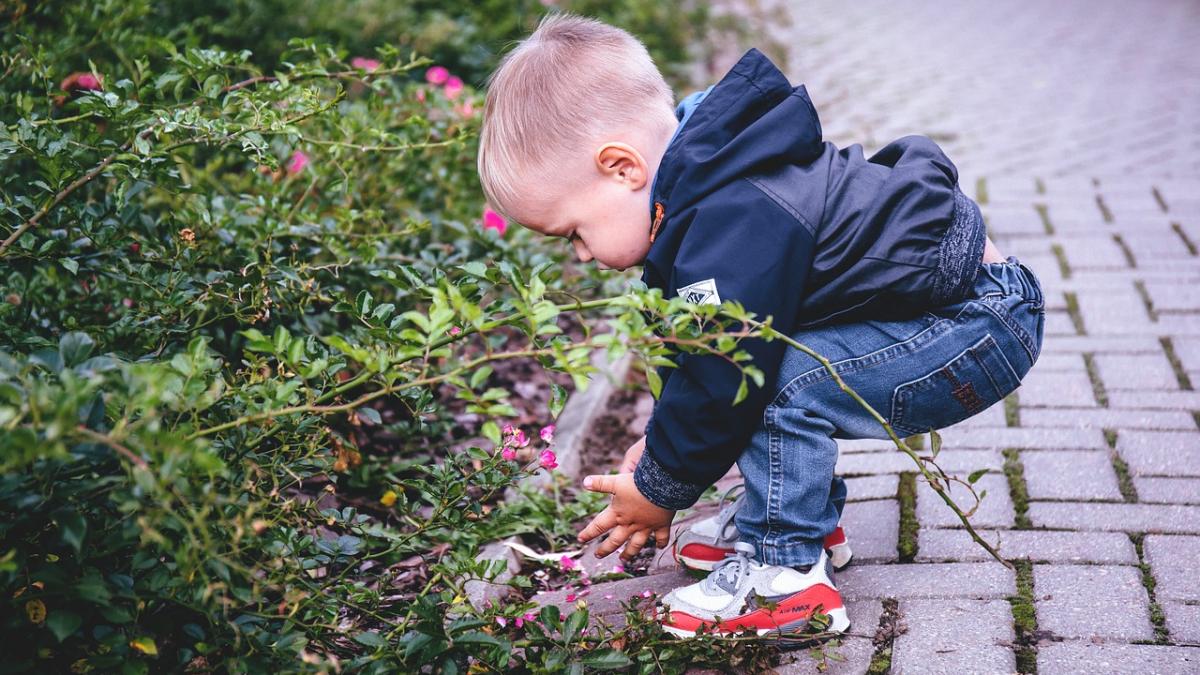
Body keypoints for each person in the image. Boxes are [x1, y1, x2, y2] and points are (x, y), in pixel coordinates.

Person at [476, 13, 1044, 639]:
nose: (581, 255)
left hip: (972, 329)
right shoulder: (708, 181)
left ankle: (785, 573)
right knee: (759, 366)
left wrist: (660, 487)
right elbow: (700, 353)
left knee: (764, 380)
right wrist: (661, 446)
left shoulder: (730, 214)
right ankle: (794, 521)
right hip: (950, 314)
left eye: (574, 234)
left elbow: (725, 373)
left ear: (622, 168)